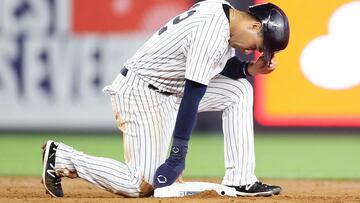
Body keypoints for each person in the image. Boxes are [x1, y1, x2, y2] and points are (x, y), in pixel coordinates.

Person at [41, 0, 290, 198]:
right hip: (142, 93)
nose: (252, 51)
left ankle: (241, 180)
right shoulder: (211, 32)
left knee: (239, 91)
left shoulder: (220, 9)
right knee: (139, 185)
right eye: (258, 45)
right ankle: (61, 157)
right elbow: (194, 93)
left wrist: (249, 70)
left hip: (172, 90)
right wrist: (176, 157)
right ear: (255, 26)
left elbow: (215, 63)